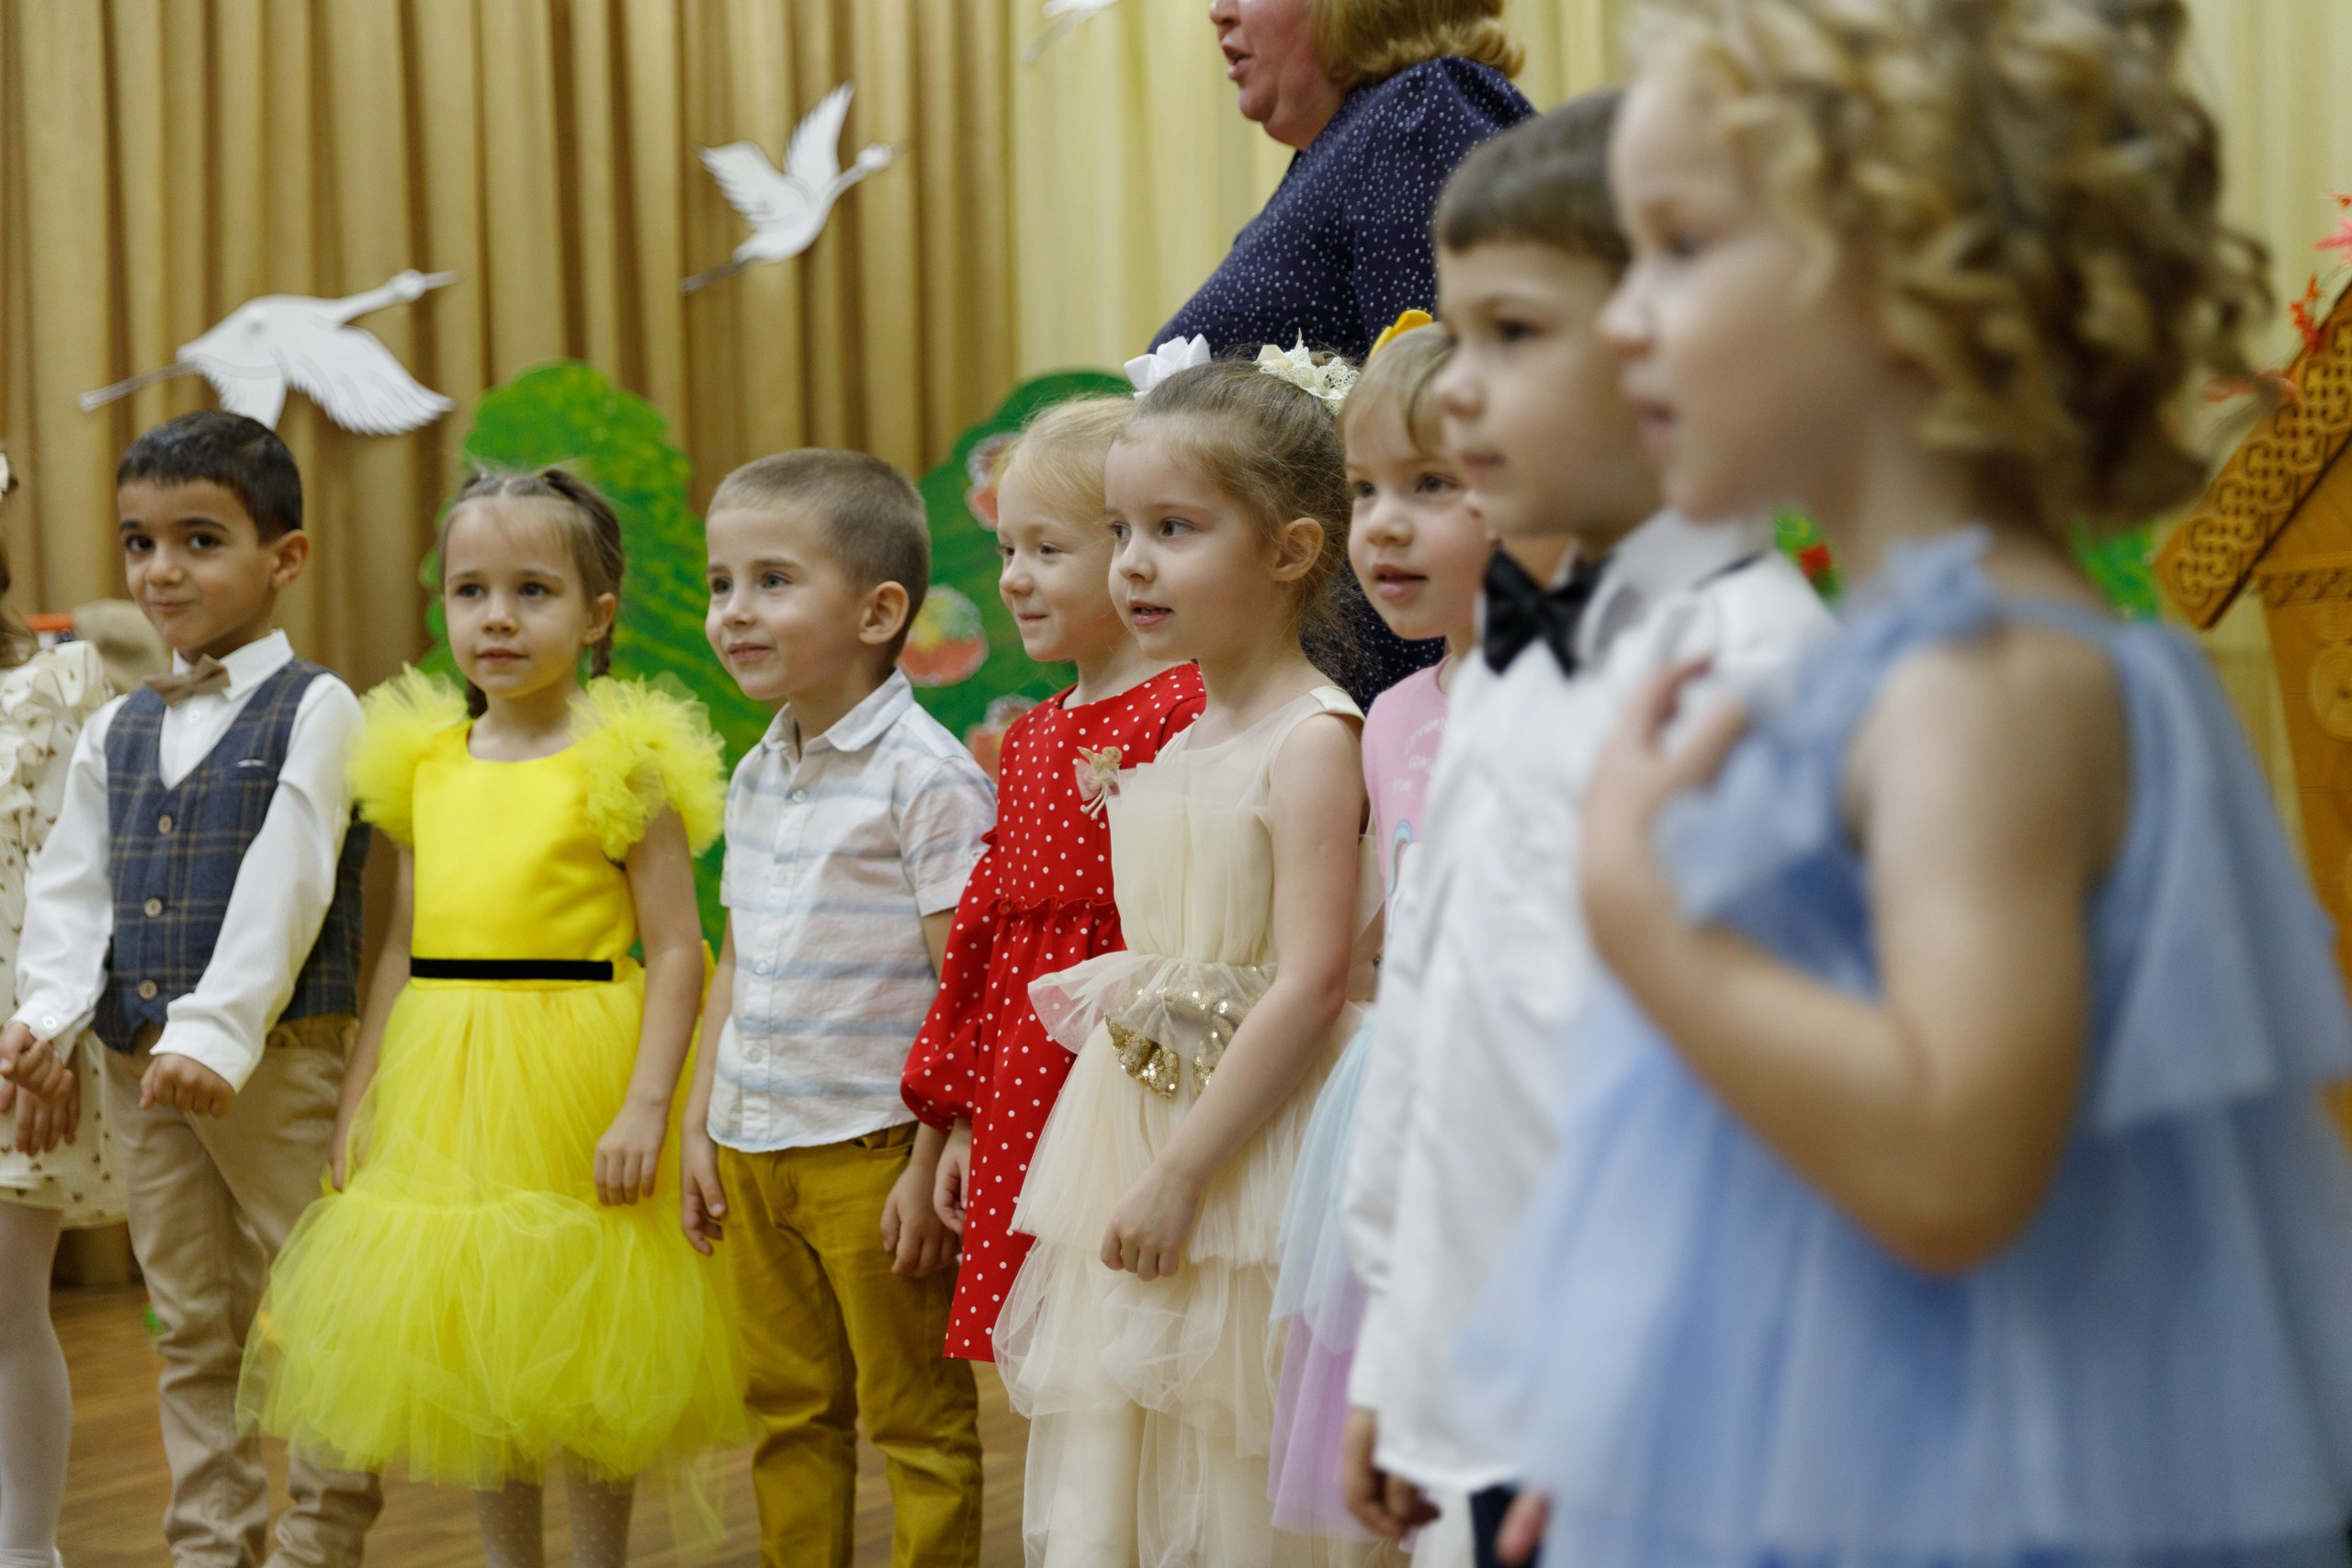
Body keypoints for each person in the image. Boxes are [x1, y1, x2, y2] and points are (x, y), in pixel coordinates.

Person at [1456, 4, 2352, 1566]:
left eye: (1678, 247)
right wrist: (1651, 1414)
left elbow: (1948, 1161)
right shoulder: (1901, 663)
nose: (1621, 322)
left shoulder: (1980, 688)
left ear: (1899, 269)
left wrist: (1646, 921)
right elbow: (1775, 1144)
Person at [1335, 99, 1831, 1568]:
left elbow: (1763, 1123)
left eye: (1513, 338)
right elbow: (1437, 1029)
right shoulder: (1518, 668)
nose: (1459, 397)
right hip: (1494, 1376)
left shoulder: (1745, 680)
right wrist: (1397, 1356)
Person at [238, 468, 747, 1568]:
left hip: (577, 1072)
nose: (498, 619)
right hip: (446, 1073)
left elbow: (675, 951)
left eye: (532, 591)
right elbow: (399, 953)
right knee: (486, 1361)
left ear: (597, 614)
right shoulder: (423, 760)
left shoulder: (624, 763)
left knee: (586, 1349)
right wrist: (363, 1097)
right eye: (470, 592)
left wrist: (646, 1108)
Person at [993, 355, 1375, 1567]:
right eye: (1118, 530)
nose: (1133, 564)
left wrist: (1185, 1173)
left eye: (1175, 527)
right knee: (1122, 1453)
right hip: (1148, 1117)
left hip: (1244, 1152)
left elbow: (1309, 984)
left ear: (1290, 548)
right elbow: (1173, 973)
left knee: (1227, 1463)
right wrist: (1136, 1146)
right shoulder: (1183, 732)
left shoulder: (1311, 738)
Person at [0, 411, 380, 1568]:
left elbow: (290, 877)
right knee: (192, 1326)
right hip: (136, 1072)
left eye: (200, 540)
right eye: (139, 543)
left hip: (272, 1063)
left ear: (286, 557)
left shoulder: (318, 706)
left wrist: (216, 1036)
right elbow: (74, 887)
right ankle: (210, 1548)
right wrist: (44, 1015)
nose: (163, 572)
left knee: (319, 1312)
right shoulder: (119, 721)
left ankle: (323, 1540)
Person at [680, 450, 993, 1568]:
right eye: (722, 583)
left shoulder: (929, 776)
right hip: (756, 1142)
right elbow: (737, 961)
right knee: (787, 1408)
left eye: (771, 581)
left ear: (878, 611)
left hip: (873, 1151)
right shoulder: (758, 769)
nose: (733, 612)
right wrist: (700, 1122)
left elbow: (966, 989)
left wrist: (932, 1151)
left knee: (914, 1418)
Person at [899, 398, 1205, 1360]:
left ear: (1130, 554)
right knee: (1052, 1352)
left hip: (1134, 1085)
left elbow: (1200, 931)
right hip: (1029, 1087)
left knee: (1140, 1336)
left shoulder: (1189, 709)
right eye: (1006, 553)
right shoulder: (1030, 736)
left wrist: (1170, 1124)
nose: (1014, 581)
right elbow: (987, 950)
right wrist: (962, 1121)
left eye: (1046, 551)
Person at [1263, 315, 1482, 1553]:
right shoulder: (1395, 713)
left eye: (1432, 484)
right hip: (1401, 1092)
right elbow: (1395, 906)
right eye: (1363, 490)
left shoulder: (1572, 704)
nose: (1383, 524)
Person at [1155, 0, 1536, 705]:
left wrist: (1435, 721)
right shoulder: (1343, 143)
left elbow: (1445, 428)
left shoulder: (1419, 113)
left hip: (1406, 703)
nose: (1218, 11)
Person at [0, 538, 120, 1568]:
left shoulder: (63, 681)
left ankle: (26, 1552)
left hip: (18, 1035)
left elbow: (91, 877)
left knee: (3, 1309)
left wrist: (56, 1037)